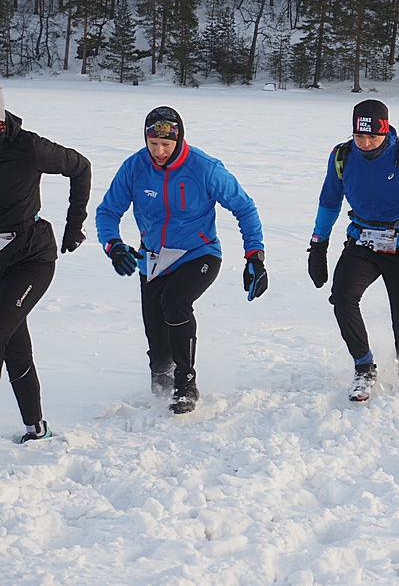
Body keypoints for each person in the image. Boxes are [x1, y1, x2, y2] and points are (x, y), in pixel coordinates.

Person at [96, 106, 267, 414]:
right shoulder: (134, 167)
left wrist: (254, 255)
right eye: (153, 144)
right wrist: (114, 245)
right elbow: (107, 211)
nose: (159, 152)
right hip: (153, 258)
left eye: (166, 144)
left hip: (199, 253)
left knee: (175, 301)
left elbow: (244, 207)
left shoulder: (204, 168)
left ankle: (186, 383)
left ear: (179, 139)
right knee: (157, 337)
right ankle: (162, 379)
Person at [308, 99, 399, 401]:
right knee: (343, 299)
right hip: (364, 241)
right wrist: (318, 245)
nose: (366, 143)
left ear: (386, 131)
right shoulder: (342, 157)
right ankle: (364, 367)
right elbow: (329, 203)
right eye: (360, 136)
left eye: (373, 136)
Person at [0, 86, 91, 443]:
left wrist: (74, 225)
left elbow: (81, 167)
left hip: (31, 258)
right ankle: (36, 429)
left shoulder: (28, 147)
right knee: (13, 344)